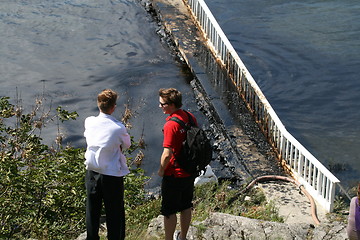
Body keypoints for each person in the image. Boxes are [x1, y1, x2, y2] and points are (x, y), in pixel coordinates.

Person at [84, 89, 131, 240]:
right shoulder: (118, 128)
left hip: (92, 172)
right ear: (113, 107)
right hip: (111, 174)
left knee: (92, 210)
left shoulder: (89, 121)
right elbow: (127, 144)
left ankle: (92, 238)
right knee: (114, 212)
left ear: (99, 105)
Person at [158, 88, 198, 240]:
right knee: (186, 206)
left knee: (169, 211)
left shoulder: (170, 125)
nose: (160, 106)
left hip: (174, 174)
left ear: (172, 104)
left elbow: (167, 154)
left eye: (162, 104)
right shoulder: (189, 116)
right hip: (190, 170)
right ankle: (183, 237)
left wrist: (161, 171)